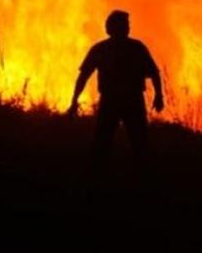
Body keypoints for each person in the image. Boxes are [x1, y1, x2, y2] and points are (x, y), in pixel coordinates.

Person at [68, 10, 164, 167]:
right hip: (114, 101)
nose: (126, 28)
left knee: (137, 142)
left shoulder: (133, 48)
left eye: (127, 25)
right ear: (110, 28)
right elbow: (84, 76)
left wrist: (159, 96)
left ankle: (138, 177)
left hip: (129, 100)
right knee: (105, 142)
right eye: (123, 25)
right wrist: (74, 100)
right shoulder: (109, 49)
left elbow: (154, 73)